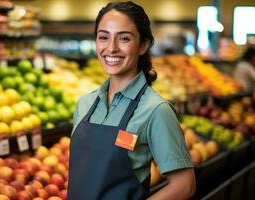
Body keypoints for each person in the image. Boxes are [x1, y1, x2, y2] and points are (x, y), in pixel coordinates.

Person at [68, 2, 195, 200]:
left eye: (124, 38)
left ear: (143, 44)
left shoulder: (156, 110)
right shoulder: (84, 104)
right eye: (103, 37)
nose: (111, 48)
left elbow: (184, 185)